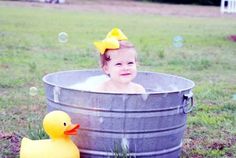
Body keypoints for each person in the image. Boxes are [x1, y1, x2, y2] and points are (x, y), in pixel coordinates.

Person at [94, 28, 145, 93]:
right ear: (106, 69)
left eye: (130, 63)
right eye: (119, 64)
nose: (126, 68)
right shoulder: (102, 89)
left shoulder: (138, 89)